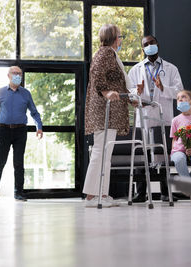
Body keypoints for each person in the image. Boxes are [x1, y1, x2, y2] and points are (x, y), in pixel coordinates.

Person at [83, 24, 135, 208]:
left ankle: (101, 194)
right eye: (119, 36)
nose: (120, 39)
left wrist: (131, 97)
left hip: (110, 111)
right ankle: (91, 195)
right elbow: (96, 73)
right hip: (105, 111)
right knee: (101, 152)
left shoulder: (110, 54)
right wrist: (106, 92)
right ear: (113, 38)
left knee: (105, 152)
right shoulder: (105, 53)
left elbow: (118, 81)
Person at [128, 35, 184, 203]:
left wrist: (162, 87)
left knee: (164, 154)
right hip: (144, 115)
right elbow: (130, 94)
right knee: (142, 152)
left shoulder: (171, 68)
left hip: (163, 115)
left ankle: (166, 192)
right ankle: (141, 193)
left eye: (152, 43)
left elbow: (179, 92)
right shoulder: (135, 69)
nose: (149, 46)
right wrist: (136, 93)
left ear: (157, 44)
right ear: (143, 48)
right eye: (146, 44)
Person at [0, 66, 43, 201]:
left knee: (18, 163)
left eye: (19, 74)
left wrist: (39, 127)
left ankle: (19, 192)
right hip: (4, 130)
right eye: (15, 73)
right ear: (8, 75)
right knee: (1, 161)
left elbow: (34, 112)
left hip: (20, 131)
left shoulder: (26, 93)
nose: (18, 76)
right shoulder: (1, 92)